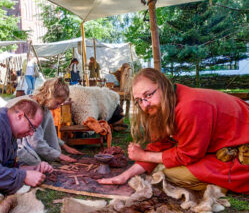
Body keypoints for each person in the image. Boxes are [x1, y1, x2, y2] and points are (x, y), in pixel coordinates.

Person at [99, 68, 249, 194]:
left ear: (163, 86)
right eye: (139, 100)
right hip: (219, 149)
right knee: (160, 166)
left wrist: (144, 155)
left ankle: (223, 183)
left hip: (241, 152)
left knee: (167, 173)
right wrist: (125, 176)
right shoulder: (164, 106)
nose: (144, 104)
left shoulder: (190, 107)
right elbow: (158, 147)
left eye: (148, 95)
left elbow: (187, 155)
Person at [7, 78, 82, 165]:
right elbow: (35, 142)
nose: (58, 107)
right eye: (57, 103)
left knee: (42, 162)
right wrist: (59, 156)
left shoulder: (45, 108)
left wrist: (64, 146)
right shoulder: (32, 108)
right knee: (35, 163)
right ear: (49, 95)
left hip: (22, 141)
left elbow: (49, 132)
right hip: (11, 144)